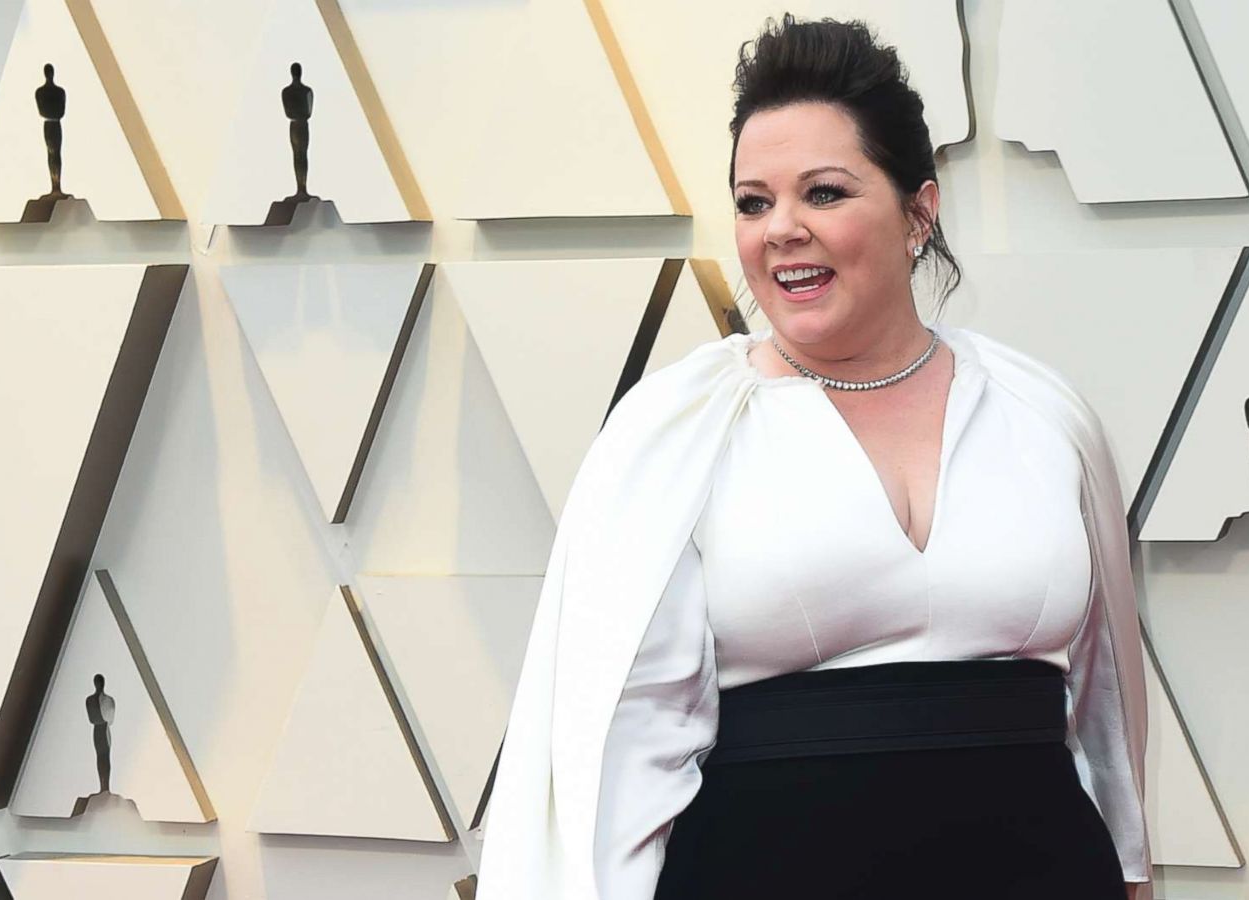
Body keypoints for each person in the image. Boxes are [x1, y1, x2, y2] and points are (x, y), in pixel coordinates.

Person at [477, 15, 1151, 900]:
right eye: (754, 202)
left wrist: (1132, 879)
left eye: (823, 193)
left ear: (919, 211)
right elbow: (625, 741)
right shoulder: (678, 431)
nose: (780, 229)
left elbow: (1104, 706)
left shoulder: (1043, 413)